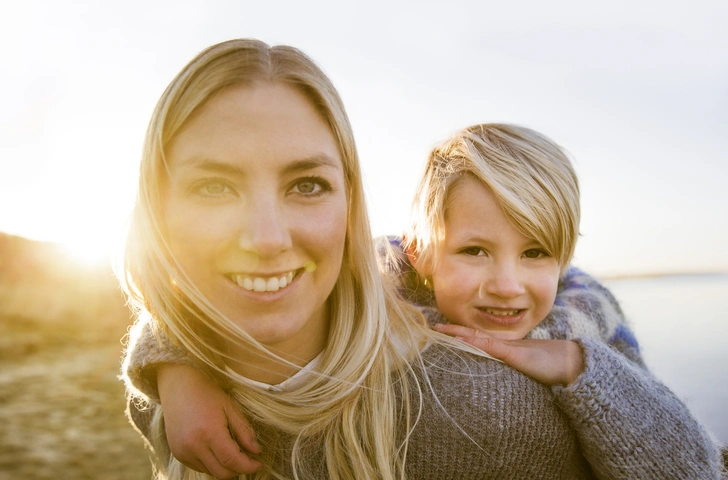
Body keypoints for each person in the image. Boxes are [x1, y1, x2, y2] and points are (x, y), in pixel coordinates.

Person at [120, 38, 723, 479]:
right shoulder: (383, 273)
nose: (507, 286)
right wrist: (174, 365)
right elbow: (178, 295)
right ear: (420, 252)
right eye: (212, 186)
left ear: (349, 203)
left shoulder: (512, 385)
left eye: (307, 185)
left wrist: (576, 363)